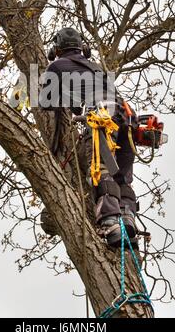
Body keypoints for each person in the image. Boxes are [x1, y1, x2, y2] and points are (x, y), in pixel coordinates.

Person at [39, 27, 139, 248]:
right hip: (127, 120)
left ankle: (111, 223)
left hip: (102, 117)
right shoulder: (96, 68)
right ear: (83, 48)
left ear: (55, 50)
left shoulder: (56, 66)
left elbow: (46, 102)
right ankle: (127, 217)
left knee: (101, 170)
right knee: (122, 176)